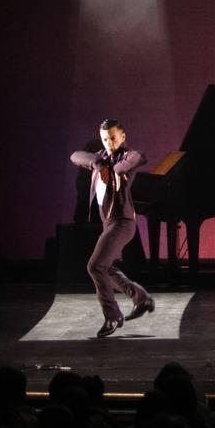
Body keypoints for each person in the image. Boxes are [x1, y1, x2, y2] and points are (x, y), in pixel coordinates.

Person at [69, 119, 154, 338]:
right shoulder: (101, 158)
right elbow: (75, 156)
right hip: (109, 224)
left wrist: (114, 168)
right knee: (104, 267)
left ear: (123, 137)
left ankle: (112, 315)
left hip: (122, 223)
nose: (109, 142)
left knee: (94, 266)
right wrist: (97, 162)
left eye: (114, 137)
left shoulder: (127, 157)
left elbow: (138, 157)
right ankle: (140, 298)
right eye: (105, 139)